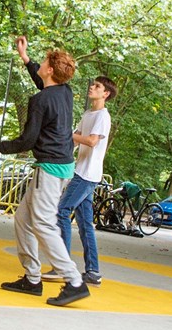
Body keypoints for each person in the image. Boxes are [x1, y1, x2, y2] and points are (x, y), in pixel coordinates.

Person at [0, 38, 89, 307]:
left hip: (50, 170)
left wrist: (0, 146)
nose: (41, 65)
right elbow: (42, 84)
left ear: (51, 71)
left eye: (44, 63)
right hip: (62, 166)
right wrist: (25, 57)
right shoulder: (64, 92)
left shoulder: (41, 100)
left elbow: (27, 140)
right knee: (23, 218)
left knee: (43, 224)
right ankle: (32, 278)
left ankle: (74, 281)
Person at [42, 75, 117, 287]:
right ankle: (93, 272)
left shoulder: (103, 116)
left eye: (97, 86)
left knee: (62, 211)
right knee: (85, 223)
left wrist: (70, 135)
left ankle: (62, 266)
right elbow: (73, 138)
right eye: (92, 85)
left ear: (106, 94)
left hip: (87, 174)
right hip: (81, 171)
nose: (92, 88)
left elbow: (92, 141)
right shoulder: (88, 114)